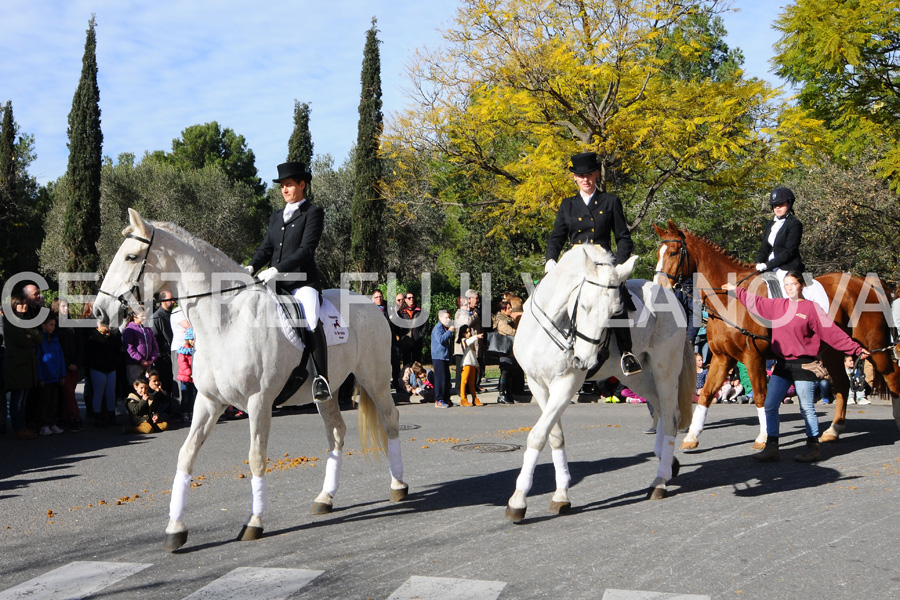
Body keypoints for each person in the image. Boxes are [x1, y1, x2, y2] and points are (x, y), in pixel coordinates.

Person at [723, 270, 869, 462]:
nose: (789, 288)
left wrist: (855, 349)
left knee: (806, 408)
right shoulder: (777, 305)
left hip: (805, 364)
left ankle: (813, 447)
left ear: (801, 286)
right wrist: (736, 290)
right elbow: (755, 302)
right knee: (770, 405)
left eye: (793, 284)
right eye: (787, 285)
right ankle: (772, 447)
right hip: (783, 364)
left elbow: (832, 332)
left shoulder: (811, 309)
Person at [545, 151, 641, 376]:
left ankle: (627, 353)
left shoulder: (610, 201)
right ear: (575, 178)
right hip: (573, 263)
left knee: (616, 297)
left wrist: (618, 265)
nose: (585, 179)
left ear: (596, 175)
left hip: (601, 264)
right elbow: (557, 236)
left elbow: (623, 237)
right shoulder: (567, 205)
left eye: (589, 174)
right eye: (580, 175)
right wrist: (550, 258)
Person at [245, 161, 331, 401]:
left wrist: (276, 268)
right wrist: (251, 266)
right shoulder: (275, 217)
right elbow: (266, 248)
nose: (285, 189)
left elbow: (306, 250)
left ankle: (321, 379)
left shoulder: (312, 213)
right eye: (282, 185)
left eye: (289, 185)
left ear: (302, 185)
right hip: (276, 283)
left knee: (311, 318)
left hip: (302, 282)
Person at [755, 187, 805, 298]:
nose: (777, 207)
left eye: (781, 204)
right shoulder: (770, 224)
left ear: (789, 204)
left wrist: (767, 265)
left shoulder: (794, 224)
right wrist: (758, 263)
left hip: (787, 267)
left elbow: (789, 251)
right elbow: (764, 247)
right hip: (770, 268)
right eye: (774, 205)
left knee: (786, 290)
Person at [3, 293, 41, 440]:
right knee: (17, 399)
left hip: (27, 365)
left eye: (25, 304)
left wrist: (32, 337)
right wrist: (31, 338)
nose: (24, 306)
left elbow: (39, 337)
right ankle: (18, 428)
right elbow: (24, 341)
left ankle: (23, 426)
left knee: (23, 399)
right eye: (21, 304)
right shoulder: (11, 322)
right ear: (14, 306)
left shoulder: (26, 320)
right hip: (17, 365)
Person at [51, 298, 83, 431]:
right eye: (63, 306)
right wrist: (67, 364)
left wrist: (77, 363)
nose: (66, 309)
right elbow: (57, 349)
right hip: (62, 367)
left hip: (74, 365)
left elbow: (80, 345)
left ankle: (66, 419)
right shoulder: (55, 326)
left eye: (67, 306)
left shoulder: (73, 324)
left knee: (68, 395)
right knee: (69, 394)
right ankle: (76, 418)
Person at [84, 318, 121, 427]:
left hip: (110, 368)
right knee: (98, 393)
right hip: (97, 368)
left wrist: (114, 363)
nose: (106, 326)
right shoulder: (92, 336)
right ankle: (97, 416)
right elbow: (89, 355)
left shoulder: (113, 336)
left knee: (111, 393)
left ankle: (111, 415)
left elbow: (117, 351)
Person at [34, 314, 66, 435]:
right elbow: (38, 359)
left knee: (54, 402)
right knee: (45, 402)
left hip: (56, 375)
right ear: (44, 325)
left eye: (54, 325)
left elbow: (61, 356)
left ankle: (52, 423)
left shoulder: (55, 339)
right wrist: (40, 377)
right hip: (46, 376)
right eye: (51, 325)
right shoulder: (40, 340)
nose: (53, 327)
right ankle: (44, 424)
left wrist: (62, 374)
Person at [149, 291, 176, 397]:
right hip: (163, 359)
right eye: (170, 299)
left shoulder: (173, 314)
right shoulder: (156, 318)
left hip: (172, 356)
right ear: (163, 301)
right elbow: (154, 340)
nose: (173, 301)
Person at [493, 299, 520, 404]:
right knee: (505, 372)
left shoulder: (509, 319)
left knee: (510, 372)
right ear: (502, 310)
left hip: (510, 350)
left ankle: (508, 393)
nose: (510, 310)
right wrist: (521, 331)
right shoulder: (501, 321)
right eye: (508, 308)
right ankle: (502, 394)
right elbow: (511, 332)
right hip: (505, 350)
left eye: (510, 308)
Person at [122, 311, 159, 385]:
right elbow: (129, 348)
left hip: (148, 364)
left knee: (147, 386)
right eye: (142, 316)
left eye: (145, 316)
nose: (144, 318)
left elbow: (155, 346)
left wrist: (151, 360)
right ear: (135, 316)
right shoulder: (130, 330)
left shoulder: (148, 330)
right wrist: (140, 360)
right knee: (136, 385)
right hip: (134, 365)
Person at [430, 310, 455, 409]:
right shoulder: (438, 328)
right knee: (440, 379)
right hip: (438, 357)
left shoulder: (445, 328)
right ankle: (439, 400)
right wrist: (449, 331)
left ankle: (446, 398)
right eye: (446, 318)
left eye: (449, 317)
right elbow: (441, 340)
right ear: (440, 318)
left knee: (446, 378)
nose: (448, 320)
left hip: (444, 356)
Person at [397, 292, 426, 372]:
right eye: (409, 298)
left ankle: (418, 381)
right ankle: (406, 381)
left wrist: (421, 335)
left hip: (417, 340)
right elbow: (397, 326)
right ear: (405, 300)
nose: (411, 299)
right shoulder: (401, 312)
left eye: (413, 297)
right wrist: (400, 336)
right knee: (406, 362)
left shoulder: (420, 311)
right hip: (405, 341)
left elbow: (425, 325)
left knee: (417, 362)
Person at [456, 324, 484, 407]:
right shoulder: (464, 340)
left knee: (472, 383)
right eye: (466, 332)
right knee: (464, 381)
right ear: (462, 334)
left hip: (472, 364)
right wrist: (476, 336)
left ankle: (475, 398)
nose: (469, 334)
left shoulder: (472, 342)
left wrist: (477, 365)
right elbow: (468, 341)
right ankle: (463, 399)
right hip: (466, 363)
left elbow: (474, 355)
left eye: (469, 332)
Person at [177, 327, 196, 423]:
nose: (193, 341)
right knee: (186, 396)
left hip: (194, 377)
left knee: (193, 395)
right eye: (191, 339)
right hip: (185, 377)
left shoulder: (196, 350)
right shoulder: (183, 350)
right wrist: (190, 372)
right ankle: (184, 412)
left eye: (194, 339)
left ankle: (191, 412)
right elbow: (182, 363)